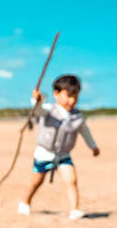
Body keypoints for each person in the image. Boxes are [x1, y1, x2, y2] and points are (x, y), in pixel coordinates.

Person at [17, 74, 100, 219]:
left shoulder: (77, 117)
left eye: (75, 97)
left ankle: (75, 210)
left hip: (63, 155)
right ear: (56, 94)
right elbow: (37, 111)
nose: (72, 101)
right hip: (44, 153)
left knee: (72, 180)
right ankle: (25, 202)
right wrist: (36, 100)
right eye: (68, 96)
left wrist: (93, 146)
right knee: (36, 182)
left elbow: (85, 132)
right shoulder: (49, 109)